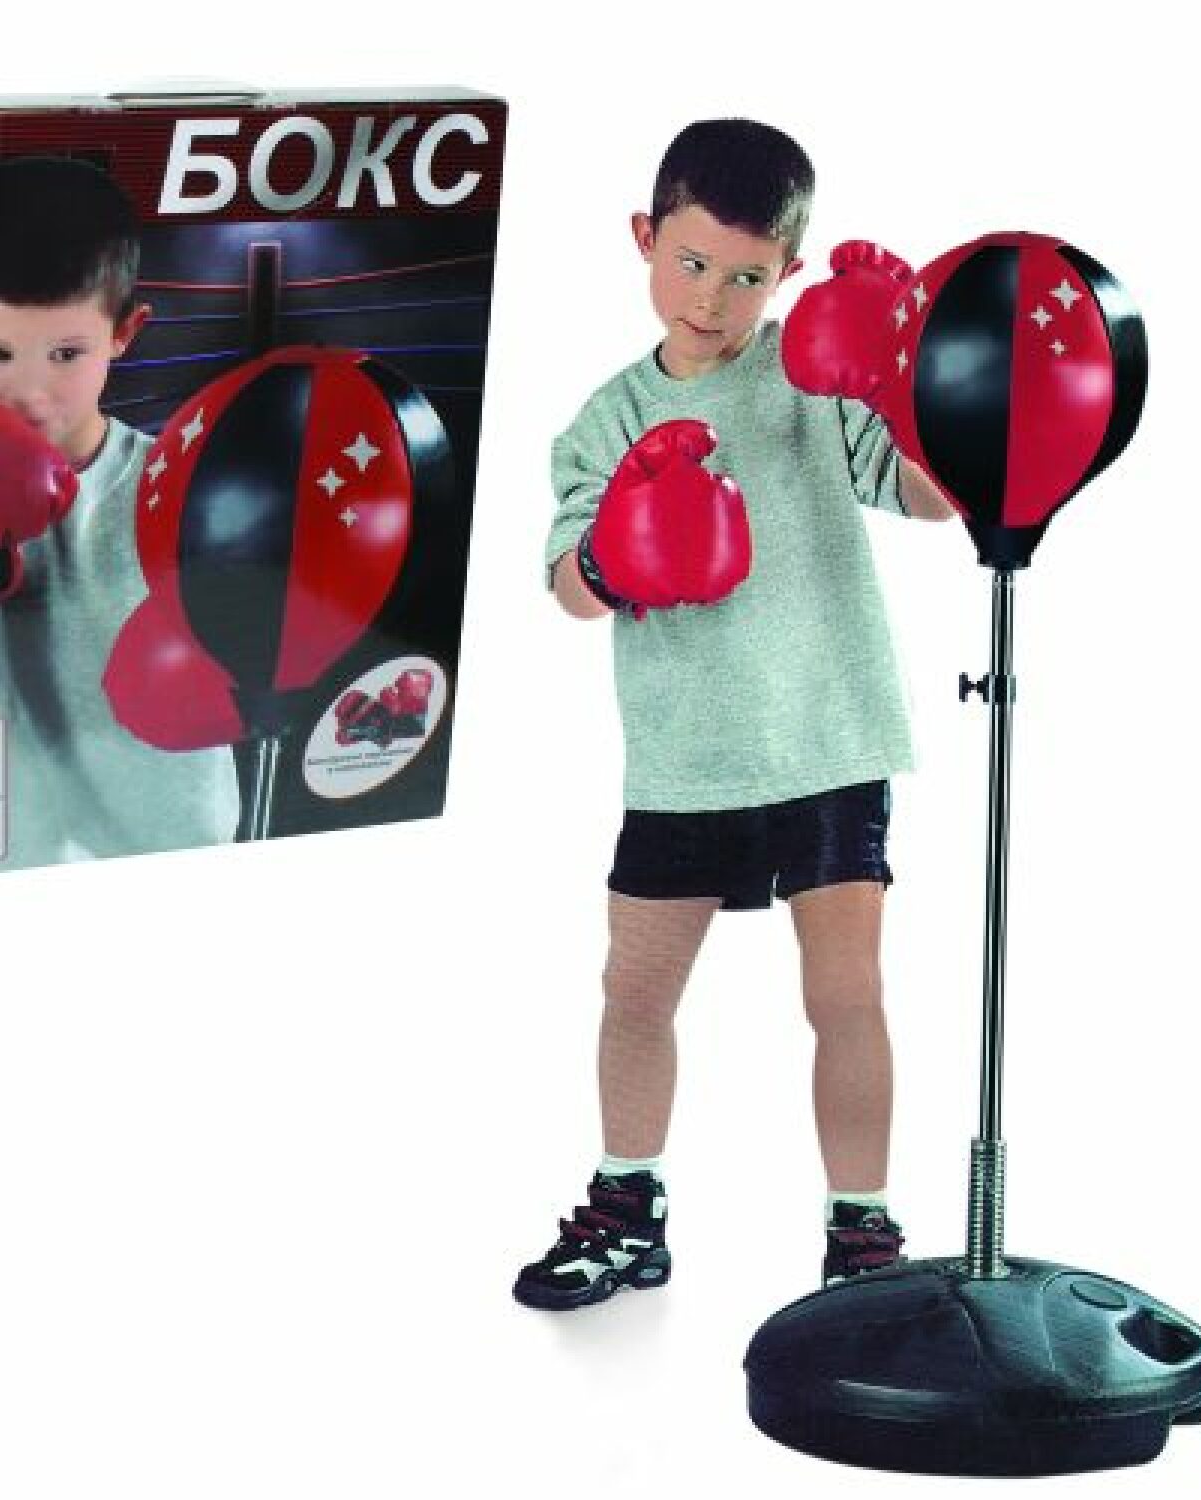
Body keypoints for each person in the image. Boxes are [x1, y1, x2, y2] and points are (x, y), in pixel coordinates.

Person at [513, 119, 958, 1311]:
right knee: (635, 993)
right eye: (693, 263)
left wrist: (896, 384)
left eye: (749, 277)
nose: (713, 300)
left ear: (789, 273)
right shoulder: (606, 418)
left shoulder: (813, 386)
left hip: (828, 738)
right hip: (687, 759)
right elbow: (565, 588)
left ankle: (862, 1230)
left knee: (845, 996)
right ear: (645, 239)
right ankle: (626, 1210)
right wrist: (617, 551)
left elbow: (931, 501)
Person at [0, 157, 238, 870]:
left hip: (184, 851)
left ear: (125, 332)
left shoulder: (180, 485)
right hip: (22, 860)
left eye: (67, 353)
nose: (30, 394)